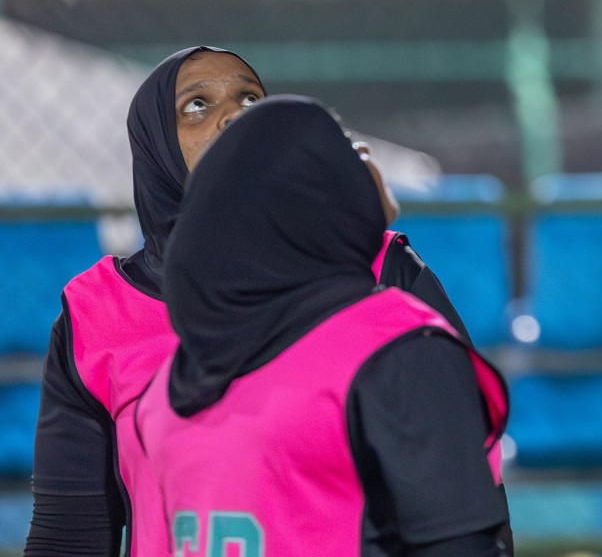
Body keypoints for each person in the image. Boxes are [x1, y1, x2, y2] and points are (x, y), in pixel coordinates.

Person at [25, 46, 469, 557]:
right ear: (156, 148)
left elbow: (465, 515)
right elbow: (69, 537)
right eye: (197, 105)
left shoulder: (384, 274)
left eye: (250, 100)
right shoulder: (96, 314)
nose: (234, 115)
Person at [131, 96, 510, 557]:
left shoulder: (170, 384)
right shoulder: (395, 349)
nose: (366, 157)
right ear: (313, 194)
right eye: (344, 147)